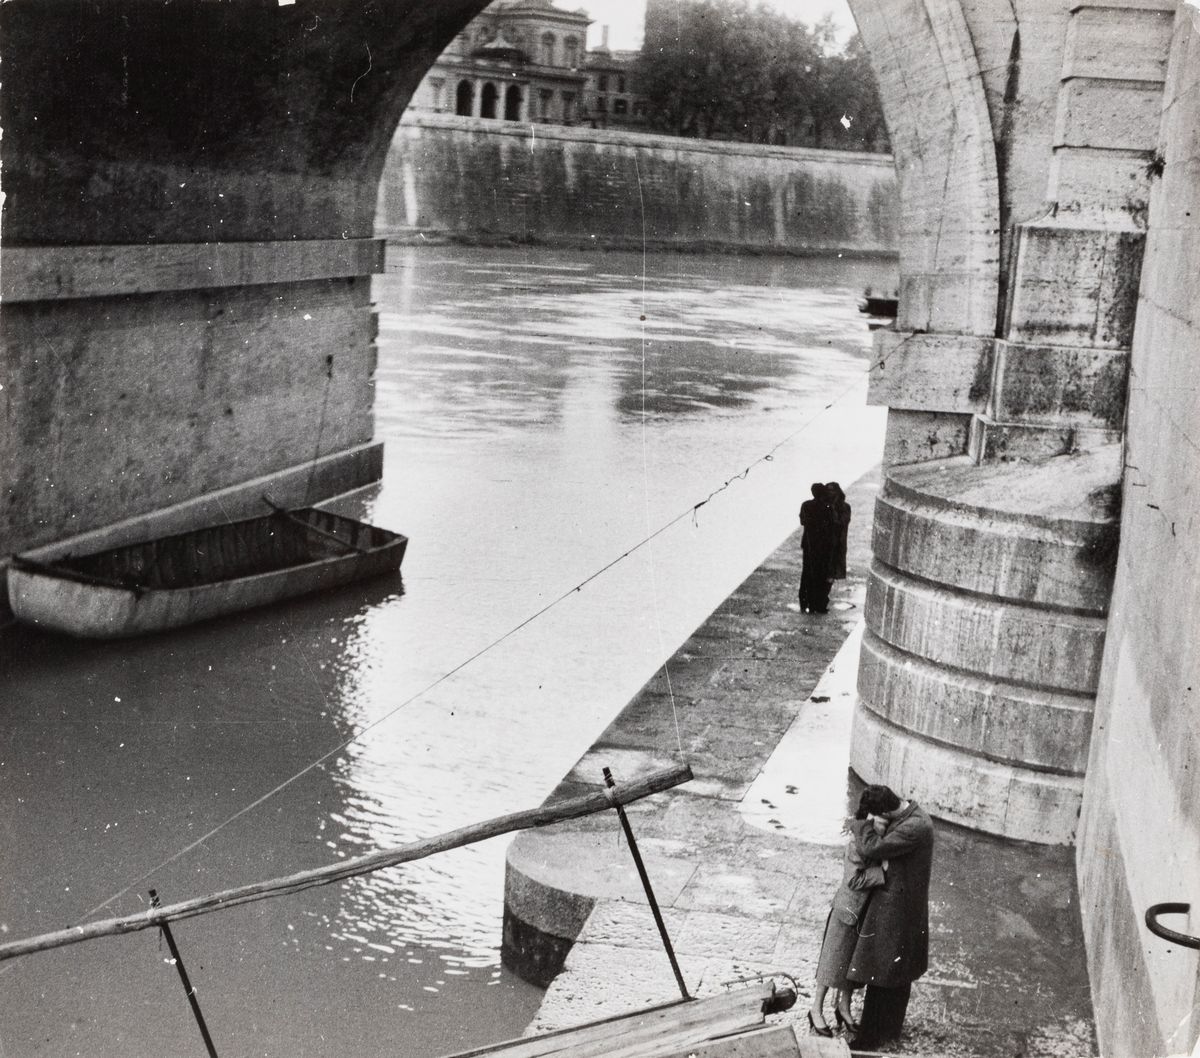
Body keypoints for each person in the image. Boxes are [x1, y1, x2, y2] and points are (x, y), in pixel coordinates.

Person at [844, 784, 935, 1050]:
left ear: (885, 809)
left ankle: (868, 1039)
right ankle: (890, 1028)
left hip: (896, 907)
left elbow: (872, 849)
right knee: (898, 970)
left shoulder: (913, 827)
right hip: (905, 905)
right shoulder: (912, 815)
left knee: (879, 970)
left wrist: (861, 824)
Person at [807, 813, 890, 1037]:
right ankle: (816, 1010)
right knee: (831, 964)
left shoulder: (878, 846)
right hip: (846, 911)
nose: (884, 828)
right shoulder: (856, 844)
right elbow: (853, 880)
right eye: (882, 823)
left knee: (853, 965)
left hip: (864, 914)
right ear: (872, 823)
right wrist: (880, 872)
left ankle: (843, 1007)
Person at [798, 483, 835, 613]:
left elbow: (803, 521)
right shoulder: (828, 508)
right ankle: (818, 604)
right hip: (823, 546)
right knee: (821, 575)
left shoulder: (806, 505)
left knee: (807, 573)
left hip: (808, 544)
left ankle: (804, 603)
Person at [825, 482, 850, 581]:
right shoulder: (824, 506)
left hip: (838, 538)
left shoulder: (845, 507)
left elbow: (843, 522)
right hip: (826, 538)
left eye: (832, 491)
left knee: (835, 558)